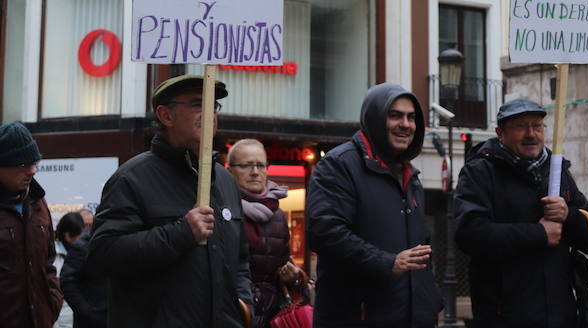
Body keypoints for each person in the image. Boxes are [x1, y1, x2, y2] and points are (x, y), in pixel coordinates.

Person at [88, 75, 253, 328]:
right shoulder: (131, 179)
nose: (210, 114)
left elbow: (240, 260)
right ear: (166, 116)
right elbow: (105, 254)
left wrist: (242, 305)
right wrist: (181, 233)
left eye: (214, 106)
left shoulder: (224, 179)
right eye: (198, 104)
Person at [454, 98, 588, 328]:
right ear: (500, 133)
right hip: (504, 318)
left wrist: (568, 215)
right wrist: (539, 234)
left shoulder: (557, 171)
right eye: (521, 126)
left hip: (561, 317)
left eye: (537, 126)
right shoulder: (479, 172)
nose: (531, 134)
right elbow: (469, 234)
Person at [306, 82, 442, 327]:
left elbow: (421, 253)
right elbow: (324, 233)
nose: (406, 124)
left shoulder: (411, 177)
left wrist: (431, 302)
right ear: (375, 118)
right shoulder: (339, 165)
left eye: (412, 118)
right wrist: (387, 262)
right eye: (395, 115)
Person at [227, 139, 305, 328]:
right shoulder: (224, 210)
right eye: (246, 165)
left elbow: (283, 266)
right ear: (230, 171)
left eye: (260, 165)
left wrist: (293, 276)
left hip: (273, 316)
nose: (255, 172)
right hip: (234, 313)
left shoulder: (277, 215)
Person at [0, 121, 64, 328]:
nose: (32, 170)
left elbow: (48, 262)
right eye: (22, 164)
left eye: (35, 162)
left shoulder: (38, 202)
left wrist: (52, 302)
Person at [60, 225, 108, 328]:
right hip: (91, 320)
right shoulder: (83, 245)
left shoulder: (122, 241)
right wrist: (88, 312)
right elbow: (67, 281)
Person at [53, 212, 86, 328]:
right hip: (60, 315)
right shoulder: (53, 254)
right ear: (67, 235)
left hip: (77, 314)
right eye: (80, 234)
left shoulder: (82, 251)